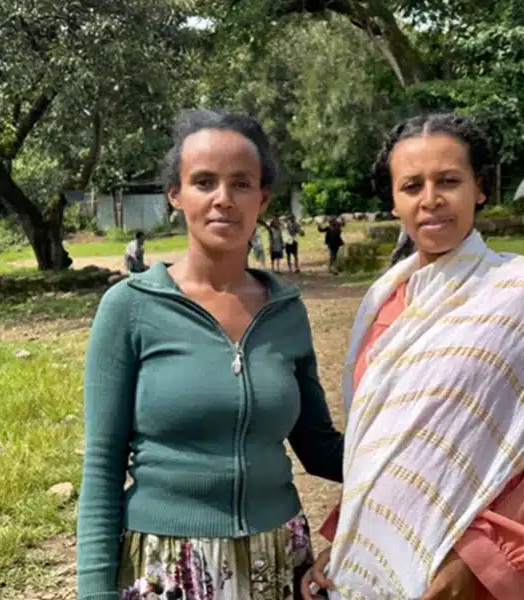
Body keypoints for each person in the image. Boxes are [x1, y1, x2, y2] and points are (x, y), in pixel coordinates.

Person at [301, 114, 524, 600]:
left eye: (448, 181)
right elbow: (382, 450)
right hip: (391, 566)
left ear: (479, 188)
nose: (430, 200)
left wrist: (479, 563)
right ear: (394, 200)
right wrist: (347, 540)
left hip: (488, 576)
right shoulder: (382, 304)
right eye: (411, 186)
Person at [78, 110, 344, 600]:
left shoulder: (286, 311)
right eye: (204, 182)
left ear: (262, 198)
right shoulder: (130, 308)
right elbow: (103, 464)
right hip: (166, 567)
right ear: (175, 195)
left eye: (241, 183)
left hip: (277, 559)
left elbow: (320, 447)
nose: (223, 198)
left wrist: (411, 460)